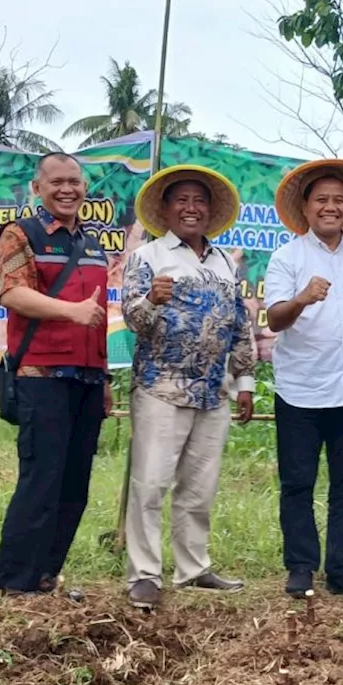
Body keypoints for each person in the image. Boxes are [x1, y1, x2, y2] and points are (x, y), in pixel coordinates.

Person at [121, 165, 256, 610]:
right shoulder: (148, 257)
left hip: (212, 392)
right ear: (164, 209)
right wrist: (151, 301)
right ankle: (144, 574)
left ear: (211, 211)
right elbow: (133, 322)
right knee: (151, 483)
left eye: (199, 201)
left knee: (199, 488)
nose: (191, 208)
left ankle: (193, 568)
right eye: (181, 200)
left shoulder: (223, 263)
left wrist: (245, 382)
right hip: (161, 387)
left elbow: (240, 324)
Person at [264, 159, 343, 600]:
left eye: (339, 200)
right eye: (322, 199)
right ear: (306, 206)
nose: (331, 207)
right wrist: (302, 298)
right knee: (297, 482)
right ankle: (301, 567)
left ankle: (341, 569)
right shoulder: (287, 257)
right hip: (299, 389)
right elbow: (275, 319)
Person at [0, 152, 112, 597]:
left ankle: (46, 576)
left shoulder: (93, 243)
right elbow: (12, 292)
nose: (67, 190)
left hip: (88, 379)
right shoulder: (20, 234)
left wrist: (105, 380)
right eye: (57, 182)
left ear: (84, 188)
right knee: (41, 479)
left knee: (74, 484)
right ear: (37, 189)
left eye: (74, 182)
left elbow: (98, 316)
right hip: (40, 376)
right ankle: (12, 581)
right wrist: (71, 312)